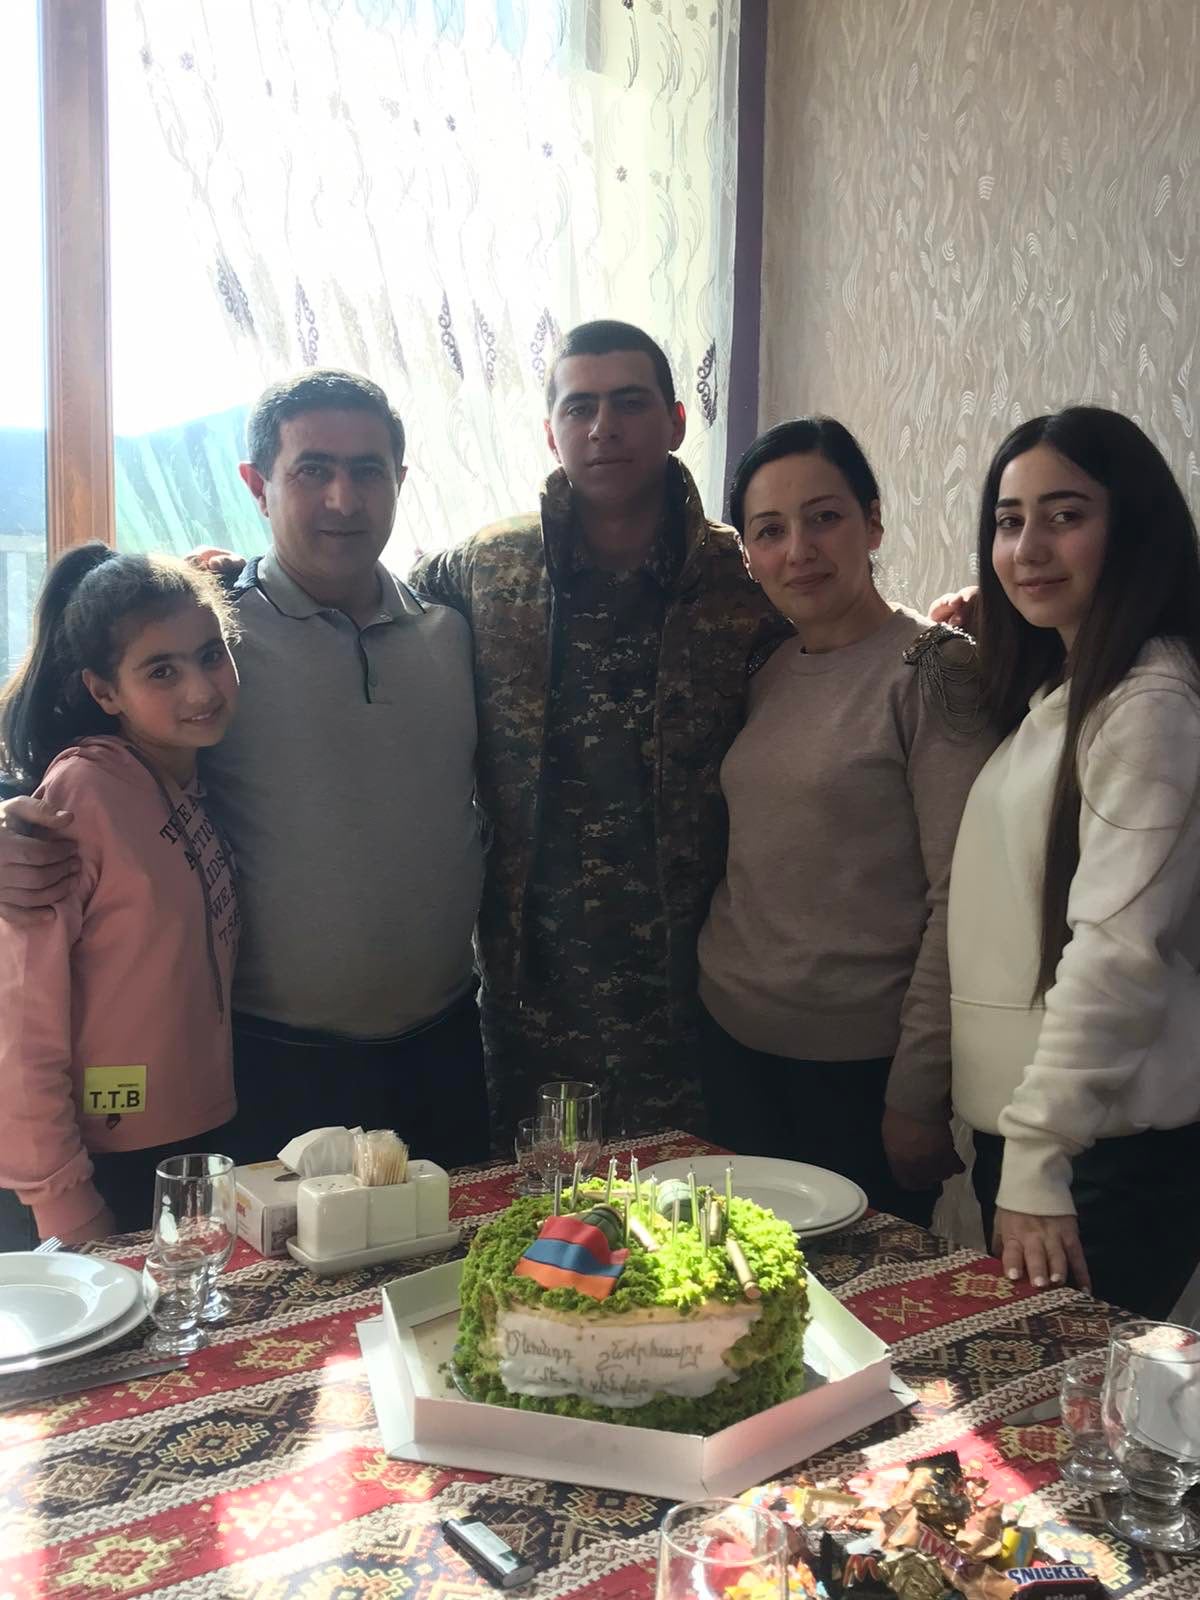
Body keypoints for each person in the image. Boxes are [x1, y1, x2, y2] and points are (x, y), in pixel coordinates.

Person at [0, 371, 489, 1175]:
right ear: (257, 485)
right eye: (312, 469)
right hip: (270, 1062)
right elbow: (75, 755)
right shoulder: (209, 637)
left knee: (458, 1253)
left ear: (400, 480)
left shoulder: (455, 634)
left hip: (445, 1044)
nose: (343, 498)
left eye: (367, 470)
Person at [412, 321, 787, 1142]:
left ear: (677, 422)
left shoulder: (743, 577)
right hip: (530, 991)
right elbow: (367, 609)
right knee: (541, 1212)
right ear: (552, 432)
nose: (603, 427)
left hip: (699, 989)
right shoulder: (488, 566)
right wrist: (232, 581)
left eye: (629, 403)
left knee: (691, 1207)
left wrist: (956, 620)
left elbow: (844, 635)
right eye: (579, 408)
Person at [696, 418, 997, 1226]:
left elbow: (963, 899)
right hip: (732, 1046)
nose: (799, 550)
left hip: (860, 1073)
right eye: (770, 530)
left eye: (824, 517)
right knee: (732, 1286)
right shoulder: (767, 667)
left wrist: (917, 1092)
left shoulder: (934, 669)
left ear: (872, 522)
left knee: (860, 1297)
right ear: (749, 555)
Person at [949, 406, 1200, 1317]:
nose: (1028, 549)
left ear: (1132, 528)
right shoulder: (1067, 692)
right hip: (1051, 1146)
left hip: (1097, 1160)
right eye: (1009, 521)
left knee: (1062, 1407)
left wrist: (1038, 1157)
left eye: (1065, 516)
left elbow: (1116, 954)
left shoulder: (1149, 705)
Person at [0, 547, 239, 1244]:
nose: (201, 690)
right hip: (94, 1168)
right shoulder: (80, 794)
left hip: (197, 1142)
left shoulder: (193, 782)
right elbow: (21, 1017)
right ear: (105, 693)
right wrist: (63, 1200)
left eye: (211, 655)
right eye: (161, 671)